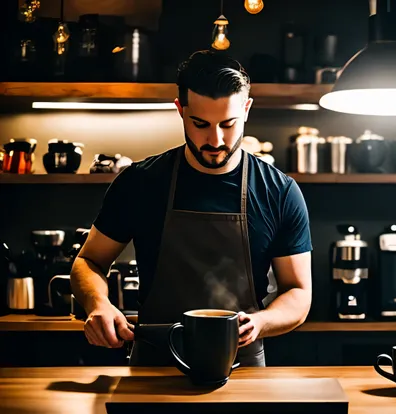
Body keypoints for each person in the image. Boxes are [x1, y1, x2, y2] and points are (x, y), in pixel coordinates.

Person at [70, 50, 313, 367]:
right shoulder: (140, 183)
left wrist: (262, 322)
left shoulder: (279, 192)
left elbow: (297, 291)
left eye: (228, 124)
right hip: (154, 365)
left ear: (247, 109)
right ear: (180, 110)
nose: (215, 140)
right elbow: (88, 261)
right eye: (200, 124)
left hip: (241, 368)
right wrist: (98, 304)